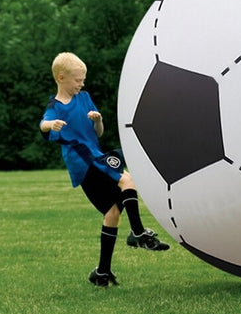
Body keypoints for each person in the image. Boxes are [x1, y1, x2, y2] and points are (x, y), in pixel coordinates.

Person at [39, 52, 169, 287]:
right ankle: (138, 233)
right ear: (61, 78)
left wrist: (97, 120)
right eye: (78, 80)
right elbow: (43, 124)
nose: (82, 84)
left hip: (95, 157)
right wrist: (51, 124)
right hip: (84, 162)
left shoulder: (85, 98)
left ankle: (101, 273)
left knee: (112, 213)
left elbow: (98, 133)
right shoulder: (55, 107)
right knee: (126, 179)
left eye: (83, 79)